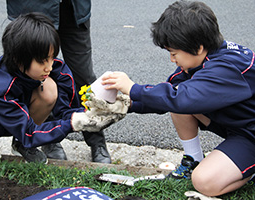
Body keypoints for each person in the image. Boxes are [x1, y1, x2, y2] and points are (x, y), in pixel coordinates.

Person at [86, 0, 255, 197]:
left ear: (198, 47)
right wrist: (125, 104)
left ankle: (246, 170)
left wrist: (132, 88)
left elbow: (179, 98)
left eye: (174, 53)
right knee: (178, 96)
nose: (172, 60)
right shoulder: (205, 58)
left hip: (250, 135)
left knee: (204, 181)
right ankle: (193, 160)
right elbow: (167, 95)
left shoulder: (227, 68)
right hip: (240, 127)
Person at [0, 13, 122, 164]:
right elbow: (34, 130)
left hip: (17, 116)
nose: (49, 67)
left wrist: (87, 114)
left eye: (52, 58)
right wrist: (71, 124)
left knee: (49, 88)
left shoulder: (55, 69)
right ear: (19, 59)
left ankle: (21, 144)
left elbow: (66, 109)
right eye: (42, 61)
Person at [5, 0, 111, 164]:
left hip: (73, 7)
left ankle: (97, 141)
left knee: (84, 77)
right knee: (37, 77)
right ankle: (47, 139)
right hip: (32, 7)